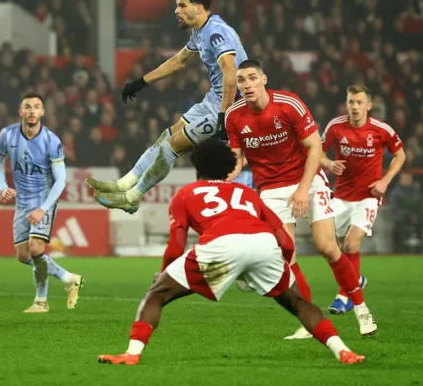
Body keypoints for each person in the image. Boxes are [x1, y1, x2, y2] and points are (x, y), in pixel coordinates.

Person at [98, 139, 365, 366]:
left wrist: (164, 274)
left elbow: (176, 245)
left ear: (197, 166)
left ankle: (132, 355)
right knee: (299, 303)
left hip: (221, 245)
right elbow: (282, 236)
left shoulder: (186, 194)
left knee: (156, 296)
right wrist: (281, 261)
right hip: (264, 245)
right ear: (228, 168)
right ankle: (343, 350)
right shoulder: (246, 193)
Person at [225, 60, 377, 338]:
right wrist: (225, 175)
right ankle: (311, 321)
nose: (246, 84)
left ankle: (361, 310)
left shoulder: (288, 104)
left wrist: (302, 189)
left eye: (251, 78)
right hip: (271, 189)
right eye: (241, 80)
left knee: (327, 247)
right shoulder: (233, 116)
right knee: (286, 256)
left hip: (307, 178)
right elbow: (237, 159)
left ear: (263, 79)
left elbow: (315, 146)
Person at [87, 0, 247, 213]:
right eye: (176, 5)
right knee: (167, 136)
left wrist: (224, 116)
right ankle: (123, 184)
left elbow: (231, 74)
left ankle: (132, 197)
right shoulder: (200, 31)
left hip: (230, 104)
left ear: (199, 8)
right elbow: (179, 61)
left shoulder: (216, 32)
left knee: (171, 147)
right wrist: (141, 81)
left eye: (182, 5)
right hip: (213, 99)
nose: (176, 10)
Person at [0, 92, 84, 312]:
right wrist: (2, 186)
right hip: (22, 202)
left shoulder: (51, 141)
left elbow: (61, 180)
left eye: (36, 107)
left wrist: (43, 209)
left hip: (44, 200)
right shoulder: (8, 135)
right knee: (23, 256)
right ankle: (69, 277)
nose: (32, 111)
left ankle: (41, 301)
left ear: (42, 112)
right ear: (20, 111)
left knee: (35, 248)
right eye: (27, 107)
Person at [320, 85, 406, 314]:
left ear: (369, 105)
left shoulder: (381, 129)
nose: (355, 107)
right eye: (351, 102)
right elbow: (317, 152)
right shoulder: (335, 127)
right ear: (346, 104)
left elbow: (400, 155)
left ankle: (343, 296)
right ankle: (356, 279)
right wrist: (328, 163)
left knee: (350, 244)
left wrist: (385, 181)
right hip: (341, 196)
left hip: (368, 196)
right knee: (334, 249)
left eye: (359, 102)